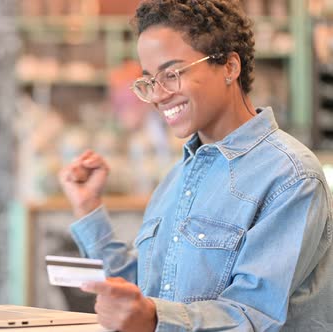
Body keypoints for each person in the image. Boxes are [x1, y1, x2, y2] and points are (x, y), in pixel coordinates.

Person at [58, 0, 333, 331]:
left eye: (171, 74)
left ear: (230, 67)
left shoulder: (290, 176)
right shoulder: (177, 178)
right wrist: (88, 208)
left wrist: (153, 318)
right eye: (149, 81)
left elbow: (254, 316)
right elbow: (143, 297)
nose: (158, 95)